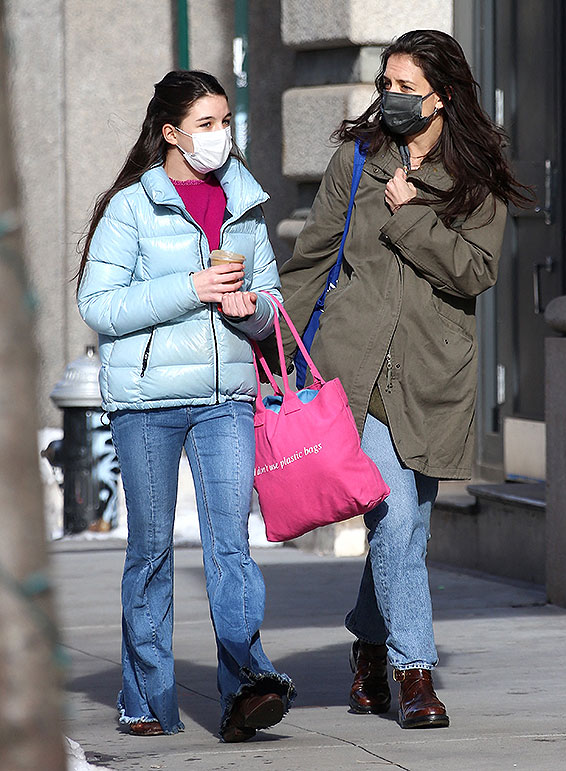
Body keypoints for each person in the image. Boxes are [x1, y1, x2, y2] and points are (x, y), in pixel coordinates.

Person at [270, 30, 530, 729]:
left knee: (405, 530)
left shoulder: (477, 178)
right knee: (396, 515)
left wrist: (410, 212)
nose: (390, 97)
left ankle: (366, 644)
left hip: (430, 374)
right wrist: (270, 350)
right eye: (384, 83)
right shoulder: (356, 161)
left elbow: (475, 271)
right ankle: (414, 673)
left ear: (441, 96)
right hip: (352, 368)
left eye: (404, 86)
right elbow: (311, 261)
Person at [76, 70, 295, 742]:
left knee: (232, 546)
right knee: (150, 551)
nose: (220, 136)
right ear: (169, 132)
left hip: (224, 398)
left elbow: (275, 309)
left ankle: (246, 685)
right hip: (147, 403)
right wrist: (191, 287)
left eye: (225, 121)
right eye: (205, 124)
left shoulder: (246, 204)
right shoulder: (130, 209)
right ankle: (146, 697)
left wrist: (253, 309)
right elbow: (97, 306)